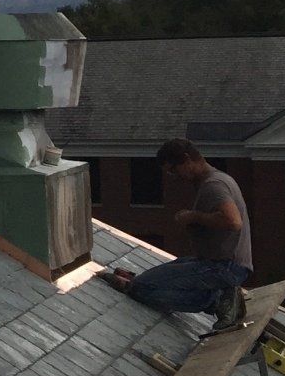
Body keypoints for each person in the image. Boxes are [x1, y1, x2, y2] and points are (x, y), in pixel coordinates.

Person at [102, 139, 252, 331]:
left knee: (141, 288)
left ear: (187, 160)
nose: (175, 176)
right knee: (153, 277)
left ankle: (217, 301)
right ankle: (223, 295)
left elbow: (233, 221)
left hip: (224, 267)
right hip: (217, 263)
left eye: (174, 169)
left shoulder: (214, 185)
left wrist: (193, 216)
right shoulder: (218, 179)